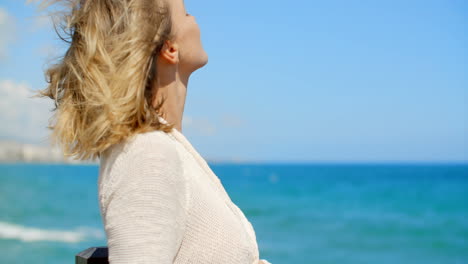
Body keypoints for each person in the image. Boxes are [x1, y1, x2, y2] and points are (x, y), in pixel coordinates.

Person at [34, 0, 271, 263]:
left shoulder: (164, 146)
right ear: (170, 48)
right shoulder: (147, 154)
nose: (196, 19)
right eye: (187, 13)